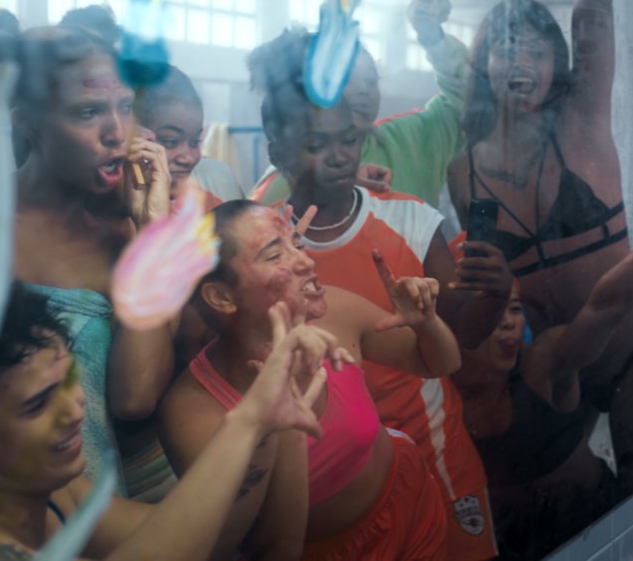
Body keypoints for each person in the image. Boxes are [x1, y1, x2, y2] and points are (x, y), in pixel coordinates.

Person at [248, 27, 509, 560]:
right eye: (319, 144)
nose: (340, 156)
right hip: (338, 476)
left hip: (435, 452)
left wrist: (494, 295)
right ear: (280, 152)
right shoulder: (265, 242)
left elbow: (457, 339)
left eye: (350, 140)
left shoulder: (409, 217)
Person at [446, 0, 633, 494]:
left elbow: (593, 4)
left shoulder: (583, 124)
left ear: (557, 65)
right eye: (507, 47)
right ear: (485, 63)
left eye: (536, 48)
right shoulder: (465, 173)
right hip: (552, 370)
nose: (521, 59)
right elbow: (486, 288)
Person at [159, 200, 459, 559]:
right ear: (222, 296)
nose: (307, 261)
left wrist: (426, 324)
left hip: (412, 509)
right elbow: (238, 543)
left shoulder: (334, 311)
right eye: (275, 255)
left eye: (297, 244)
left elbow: (439, 362)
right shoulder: (192, 410)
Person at [0, 6, 175, 492]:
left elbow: (135, 398)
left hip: (98, 518)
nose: (117, 134)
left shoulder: (124, 241)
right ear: (28, 123)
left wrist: (152, 232)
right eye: (88, 112)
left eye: (125, 107)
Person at [0, 283, 329, 560]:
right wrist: (247, 422)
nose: (74, 411)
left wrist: (272, 427)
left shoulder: (56, 492)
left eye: (69, 379)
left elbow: (196, 538)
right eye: (38, 404)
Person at [455, 155, 633, 558]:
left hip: (599, 526)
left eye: (514, 310)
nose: (508, 324)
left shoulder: (542, 364)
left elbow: (608, 305)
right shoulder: (447, 394)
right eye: (494, 314)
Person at [252, 0, 469, 209]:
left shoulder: (410, 140)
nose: (363, 90)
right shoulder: (285, 182)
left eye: (372, 80)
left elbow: (468, 101)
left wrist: (435, 41)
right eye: (346, 79)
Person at [135, 64, 242, 209]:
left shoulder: (211, 203)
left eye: (194, 142)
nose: (189, 158)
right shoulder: (111, 218)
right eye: (171, 142)